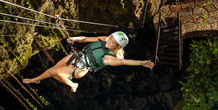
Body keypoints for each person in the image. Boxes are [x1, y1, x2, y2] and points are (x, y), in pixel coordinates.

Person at [23, 31, 154, 92]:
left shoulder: (109, 59)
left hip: (81, 69)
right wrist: (74, 38)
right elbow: (85, 39)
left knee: (53, 71)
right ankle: (73, 85)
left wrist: (141, 62)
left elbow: (124, 62)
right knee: (56, 70)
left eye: (112, 42)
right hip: (77, 56)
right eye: (110, 39)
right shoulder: (104, 39)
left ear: (117, 47)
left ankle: (36, 79)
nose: (109, 42)